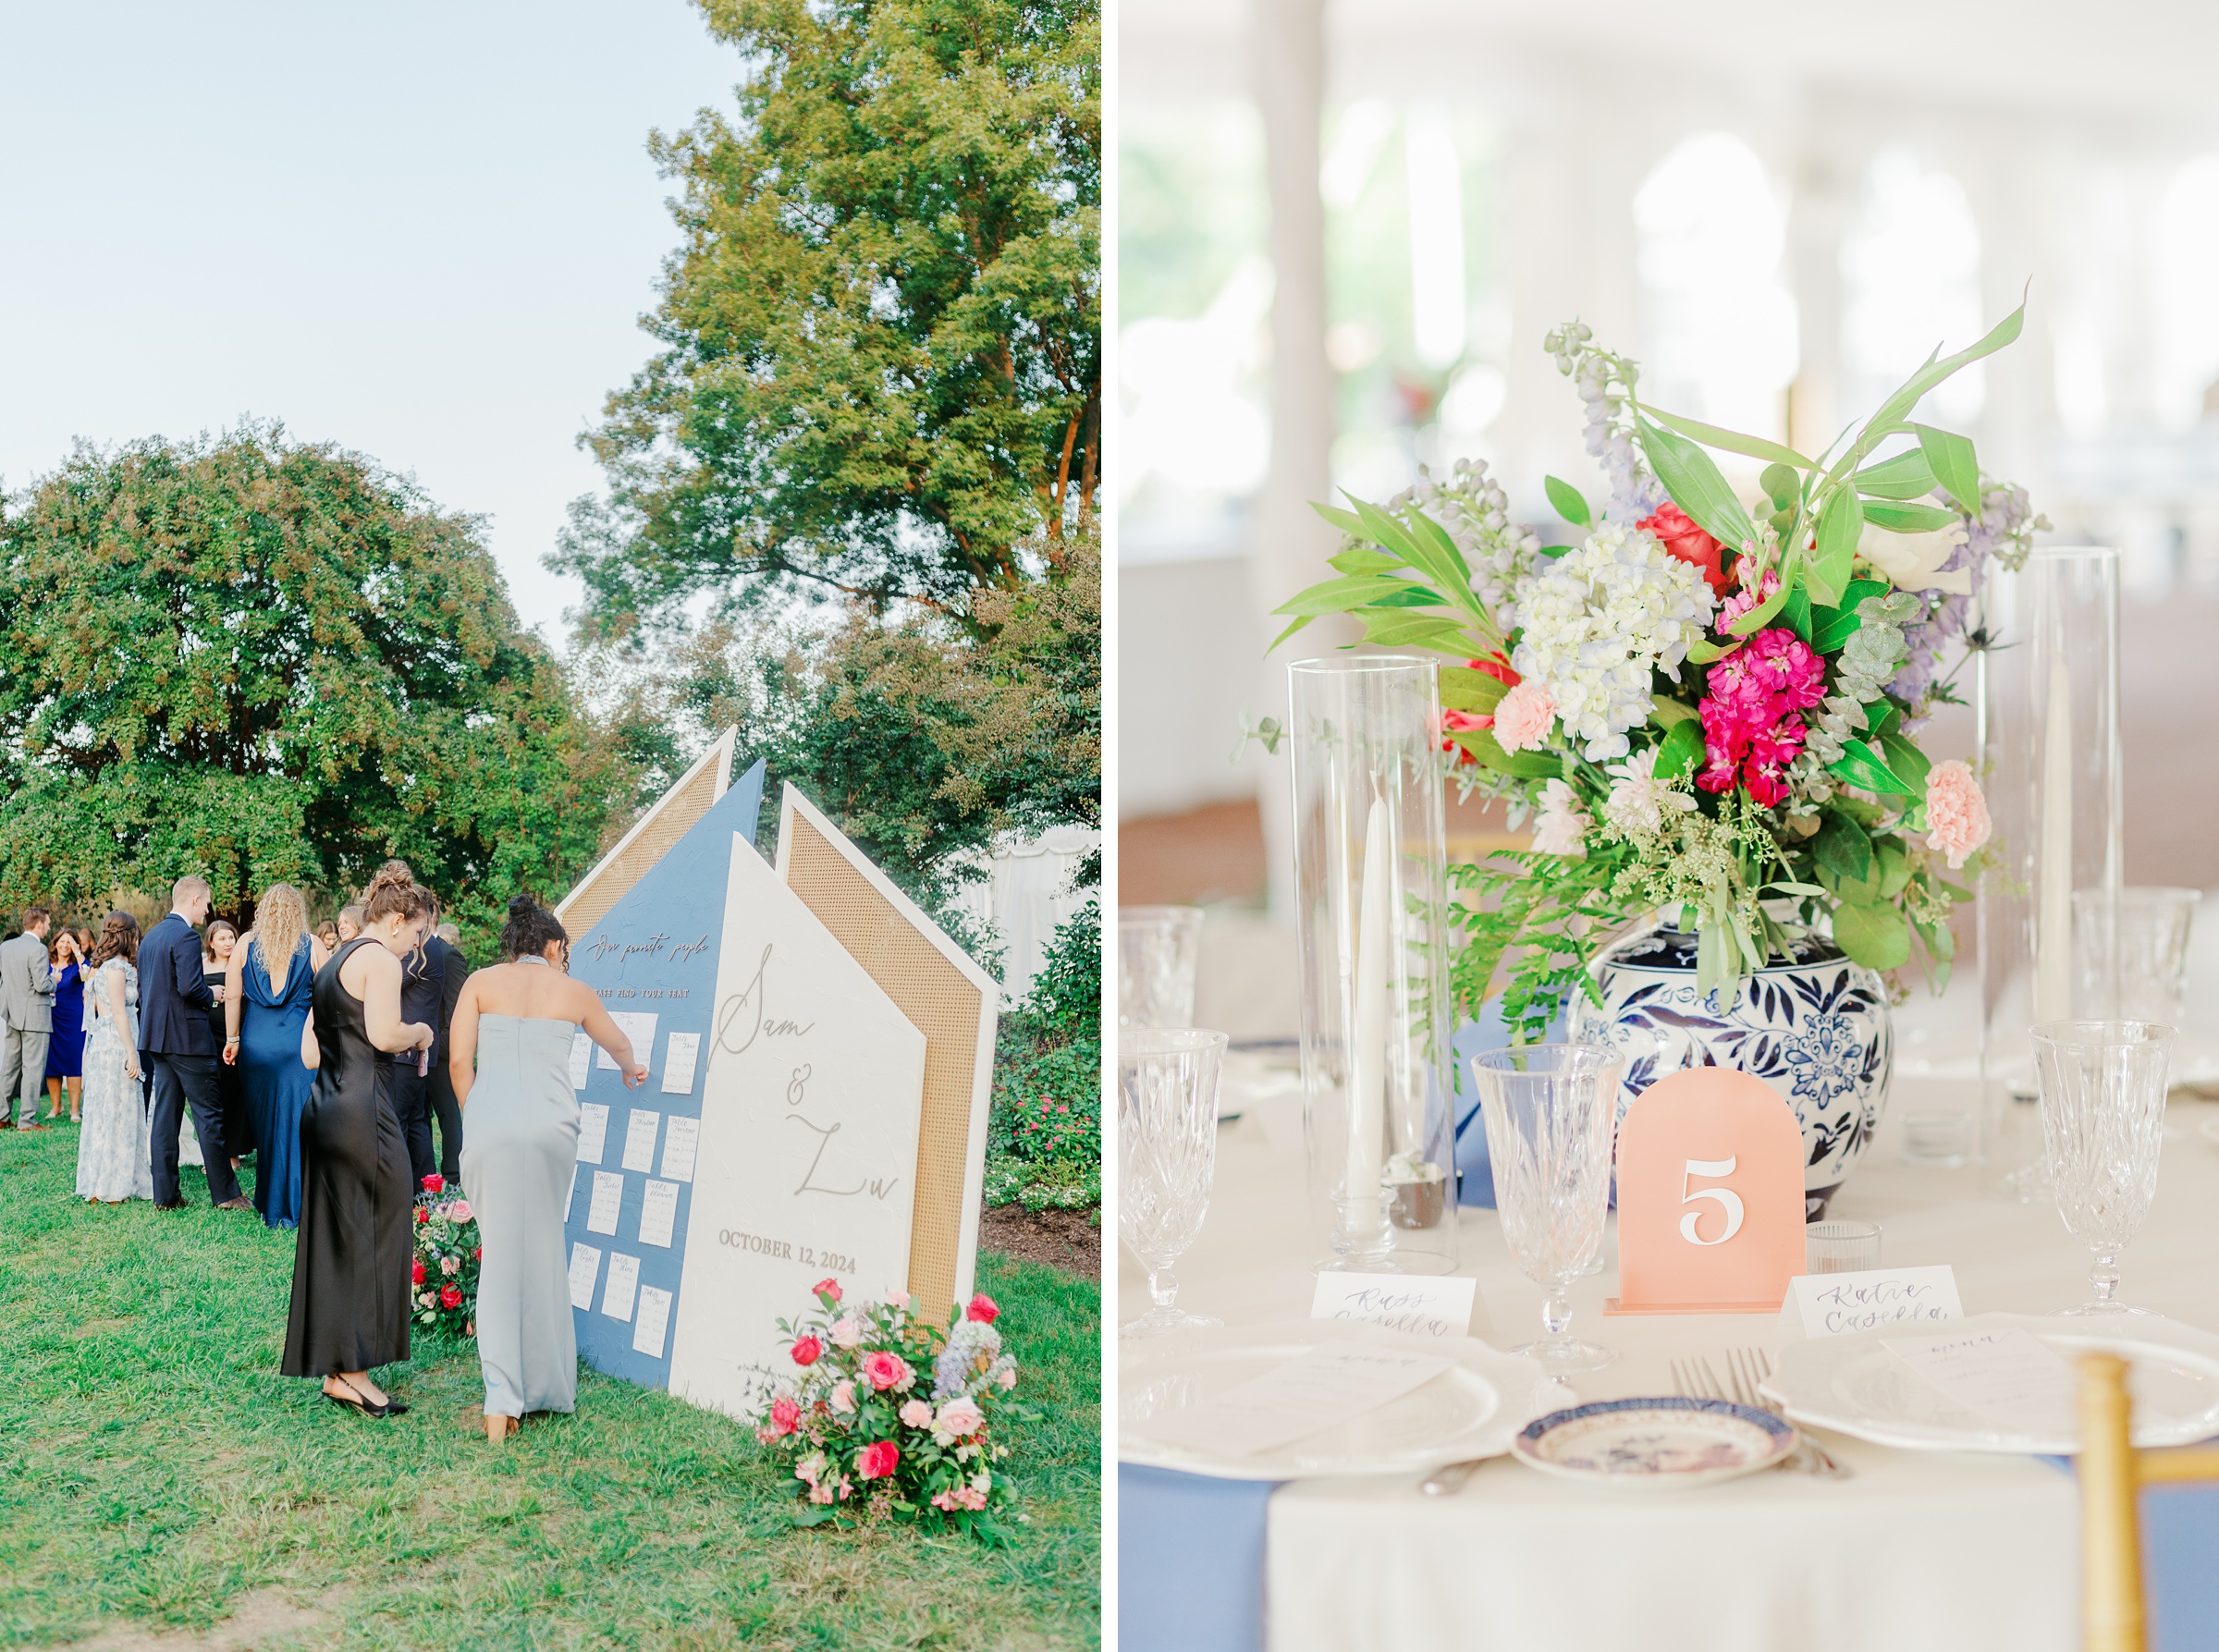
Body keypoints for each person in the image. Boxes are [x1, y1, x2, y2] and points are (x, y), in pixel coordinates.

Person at [451, 895, 644, 1442]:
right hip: (552, 1132)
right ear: (555, 946)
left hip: (491, 1129)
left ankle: (500, 1398)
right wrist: (632, 1070)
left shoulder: (481, 983)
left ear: (513, 945)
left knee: (501, 1255)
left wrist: (481, 1114)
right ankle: (545, 1385)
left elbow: (459, 1061)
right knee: (542, 1245)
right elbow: (621, 1046)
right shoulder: (574, 991)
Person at [281, 866, 435, 1417]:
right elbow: (386, 1035)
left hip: (324, 1108)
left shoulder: (335, 962)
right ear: (397, 921)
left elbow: (309, 1054)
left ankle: (340, 1373)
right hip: (363, 1114)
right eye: (417, 934)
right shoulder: (380, 960)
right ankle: (354, 1371)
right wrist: (422, 1034)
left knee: (340, 1240)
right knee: (379, 1231)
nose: (417, 945)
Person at [141, 875, 247, 1211]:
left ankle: (166, 1197)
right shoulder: (186, 936)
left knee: (165, 1118)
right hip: (187, 1039)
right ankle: (227, 1194)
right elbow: (189, 988)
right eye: (206, 902)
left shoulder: (151, 936)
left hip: (158, 1040)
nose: (207, 909)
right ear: (194, 900)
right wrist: (211, 994)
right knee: (209, 1115)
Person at [225, 884, 325, 1230]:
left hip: (256, 1046)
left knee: (268, 1126)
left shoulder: (245, 945)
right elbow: (329, 996)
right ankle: (298, 1204)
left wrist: (233, 1039)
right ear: (297, 911)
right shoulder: (313, 945)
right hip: (299, 1047)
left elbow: (233, 997)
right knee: (297, 1124)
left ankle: (269, 1202)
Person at [376, 863, 452, 1189]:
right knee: (416, 1124)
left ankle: (407, 1191)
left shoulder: (423, 951)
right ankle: (423, 1192)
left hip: (407, 1052)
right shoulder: (423, 949)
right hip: (412, 1051)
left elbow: (390, 981)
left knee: (402, 1124)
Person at [77, 912, 152, 1203]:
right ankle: (111, 1187)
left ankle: (100, 1182)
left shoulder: (99, 967)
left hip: (103, 1044)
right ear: (128, 935)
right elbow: (120, 1011)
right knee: (117, 1113)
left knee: (105, 1112)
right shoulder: (118, 968)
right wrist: (132, 1054)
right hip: (119, 1044)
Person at [202, 919, 251, 1175]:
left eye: (231, 937)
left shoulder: (243, 962)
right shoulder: (202, 964)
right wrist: (210, 991)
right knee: (212, 1093)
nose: (228, 942)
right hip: (209, 1036)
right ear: (211, 942)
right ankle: (213, 1152)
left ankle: (232, 1151)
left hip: (237, 1034)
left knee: (235, 1091)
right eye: (221, 938)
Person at [0, 907, 56, 1131]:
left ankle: (2, 1116)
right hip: (35, 1015)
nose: (49, 927)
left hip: (12, 1013)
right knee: (33, 1068)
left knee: (9, 1067)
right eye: (48, 923)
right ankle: (27, 1120)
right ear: (39, 923)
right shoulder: (38, 949)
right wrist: (55, 980)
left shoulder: (5, 947)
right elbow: (42, 984)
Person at [429, 920, 470, 1181]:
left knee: (448, 1114)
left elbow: (457, 1010)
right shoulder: (406, 952)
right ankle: (425, 1177)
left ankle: (454, 1176)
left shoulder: (449, 955)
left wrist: (442, 1046)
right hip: (412, 1051)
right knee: (419, 1118)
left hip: (441, 1052)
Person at [43, 929, 88, 1122]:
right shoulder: (46, 965)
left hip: (72, 1020)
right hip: (50, 1017)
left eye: (69, 942)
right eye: (62, 941)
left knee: (73, 1062)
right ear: (55, 943)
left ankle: (75, 1110)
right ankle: (56, 1106)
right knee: (51, 1063)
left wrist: (78, 952)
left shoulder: (76, 966)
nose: (65, 945)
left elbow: (88, 973)